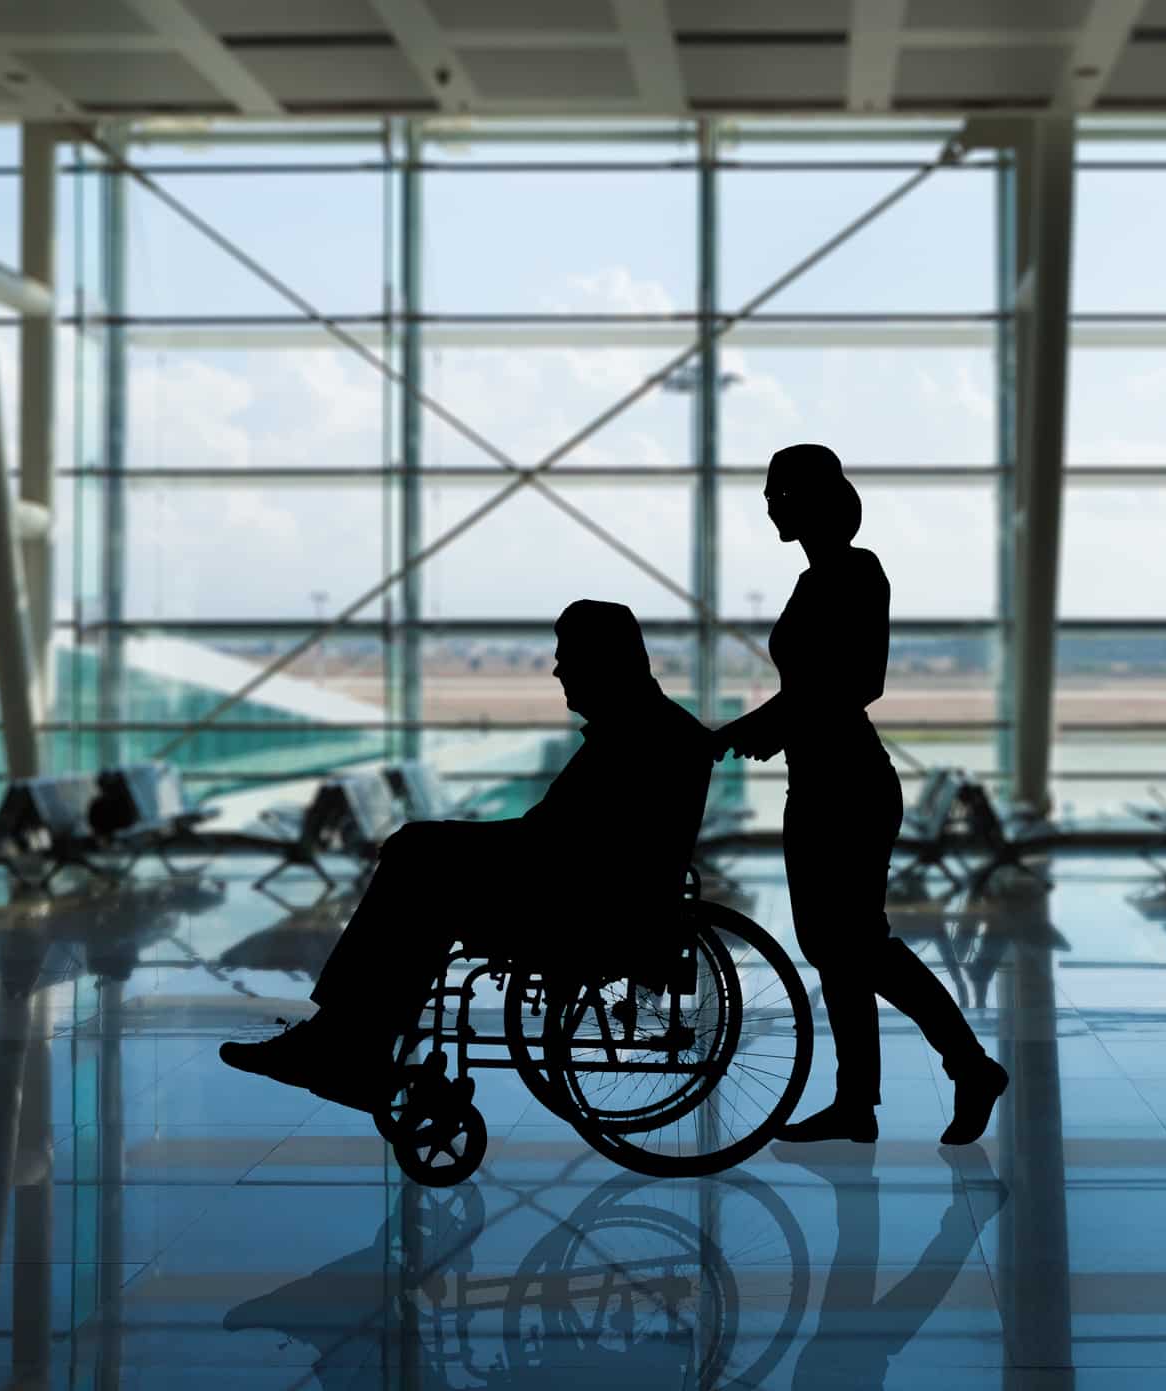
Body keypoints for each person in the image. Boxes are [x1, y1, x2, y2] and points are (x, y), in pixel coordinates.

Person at [221, 600, 713, 1107]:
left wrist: (435, 838)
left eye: (566, 657)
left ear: (600, 661)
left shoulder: (632, 737)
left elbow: (548, 842)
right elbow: (562, 841)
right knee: (423, 872)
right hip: (598, 900)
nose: (558, 671)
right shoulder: (654, 729)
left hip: (582, 913)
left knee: (417, 873)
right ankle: (348, 1042)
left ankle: (344, 1042)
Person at [712, 443, 1007, 1146]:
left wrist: (762, 726)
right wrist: (771, 727)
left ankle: (968, 1067)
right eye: (768, 494)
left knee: (858, 946)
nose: (770, 506)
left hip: (847, 786)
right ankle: (857, 1101)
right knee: (836, 948)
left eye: (781, 493)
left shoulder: (854, 572)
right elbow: (812, 690)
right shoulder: (815, 578)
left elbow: (854, 683)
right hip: (819, 780)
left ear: (816, 500)